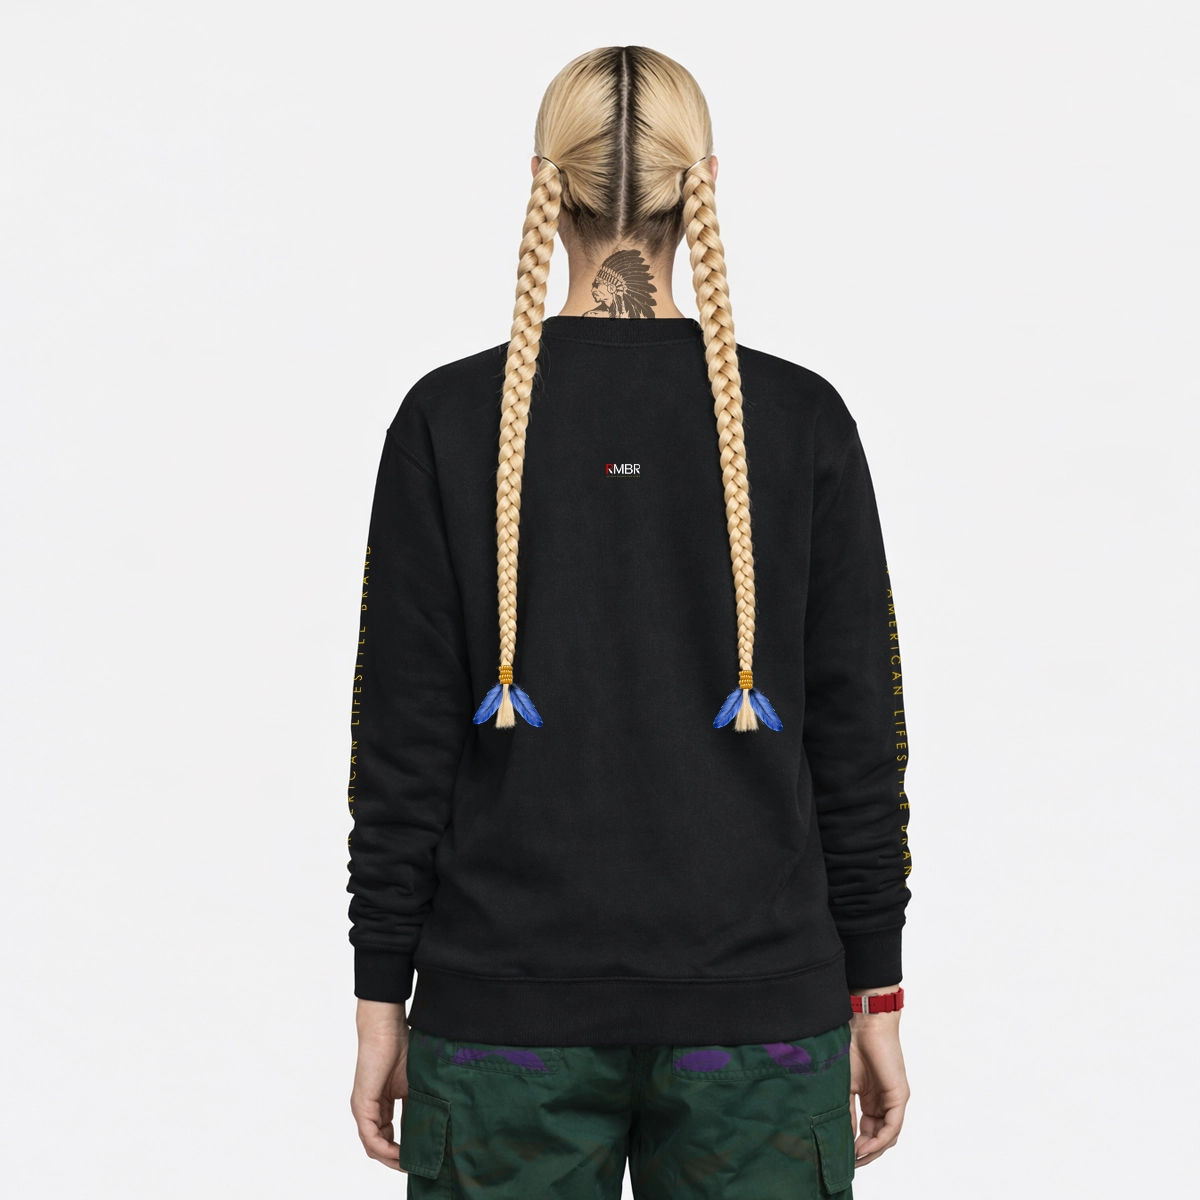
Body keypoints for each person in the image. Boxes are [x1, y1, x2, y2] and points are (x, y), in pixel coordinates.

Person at [347, 45, 912, 1199]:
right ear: (705, 182)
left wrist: (378, 1001)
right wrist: (878, 994)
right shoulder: (802, 418)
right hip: (760, 1029)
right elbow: (861, 745)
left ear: (542, 185)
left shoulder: (445, 417)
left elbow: (399, 749)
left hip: (500, 1022)